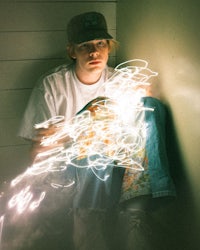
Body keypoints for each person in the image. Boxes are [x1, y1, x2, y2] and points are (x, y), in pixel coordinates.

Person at [19, 11, 176, 250]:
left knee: (149, 106)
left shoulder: (119, 81)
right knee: (96, 127)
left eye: (101, 43)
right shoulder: (52, 85)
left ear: (109, 47)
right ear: (72, 51)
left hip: (113, 170)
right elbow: (35, 158)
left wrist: (141, 102)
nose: (94, 52)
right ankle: (88, 226)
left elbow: (138, 132)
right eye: (85, 46)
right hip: (72, 176)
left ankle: (136, 214)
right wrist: (57, 138)